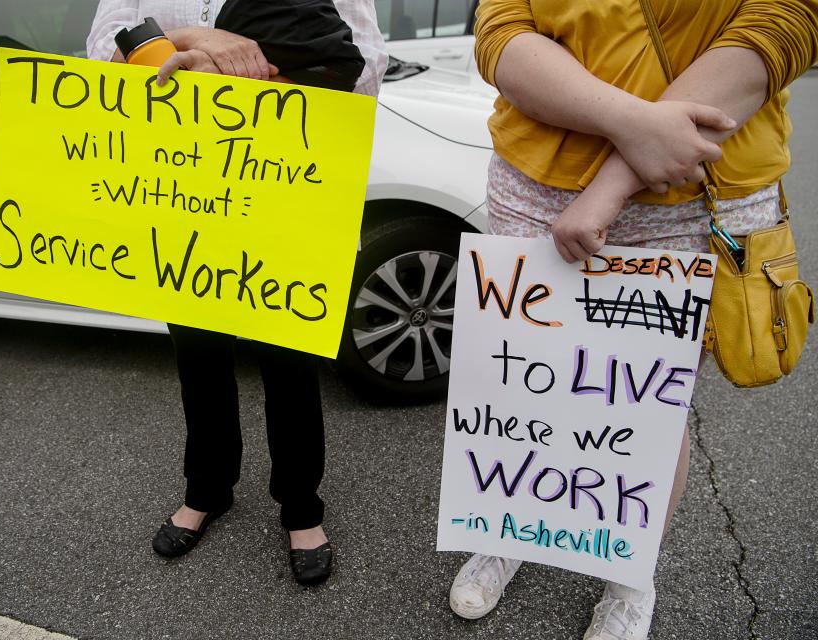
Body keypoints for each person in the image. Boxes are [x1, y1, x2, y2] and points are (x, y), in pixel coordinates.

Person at [448, 1, 818, 638]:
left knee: (643, 405)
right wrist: (630, 121)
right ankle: (509, 525)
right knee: (525, 384)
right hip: (535, 182)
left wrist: (613, 182)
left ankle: (628, 569)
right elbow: (502, 26)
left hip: (697, 184)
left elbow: (781, 23)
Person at [86, 0, 387, 586]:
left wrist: (248, 67)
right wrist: (196, 37)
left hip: (286, 183)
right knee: (196, 357)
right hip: (182, 187)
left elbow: (365, 64)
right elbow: (100, 52)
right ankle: (207, 488)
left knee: (291, 359)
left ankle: (301, 507)